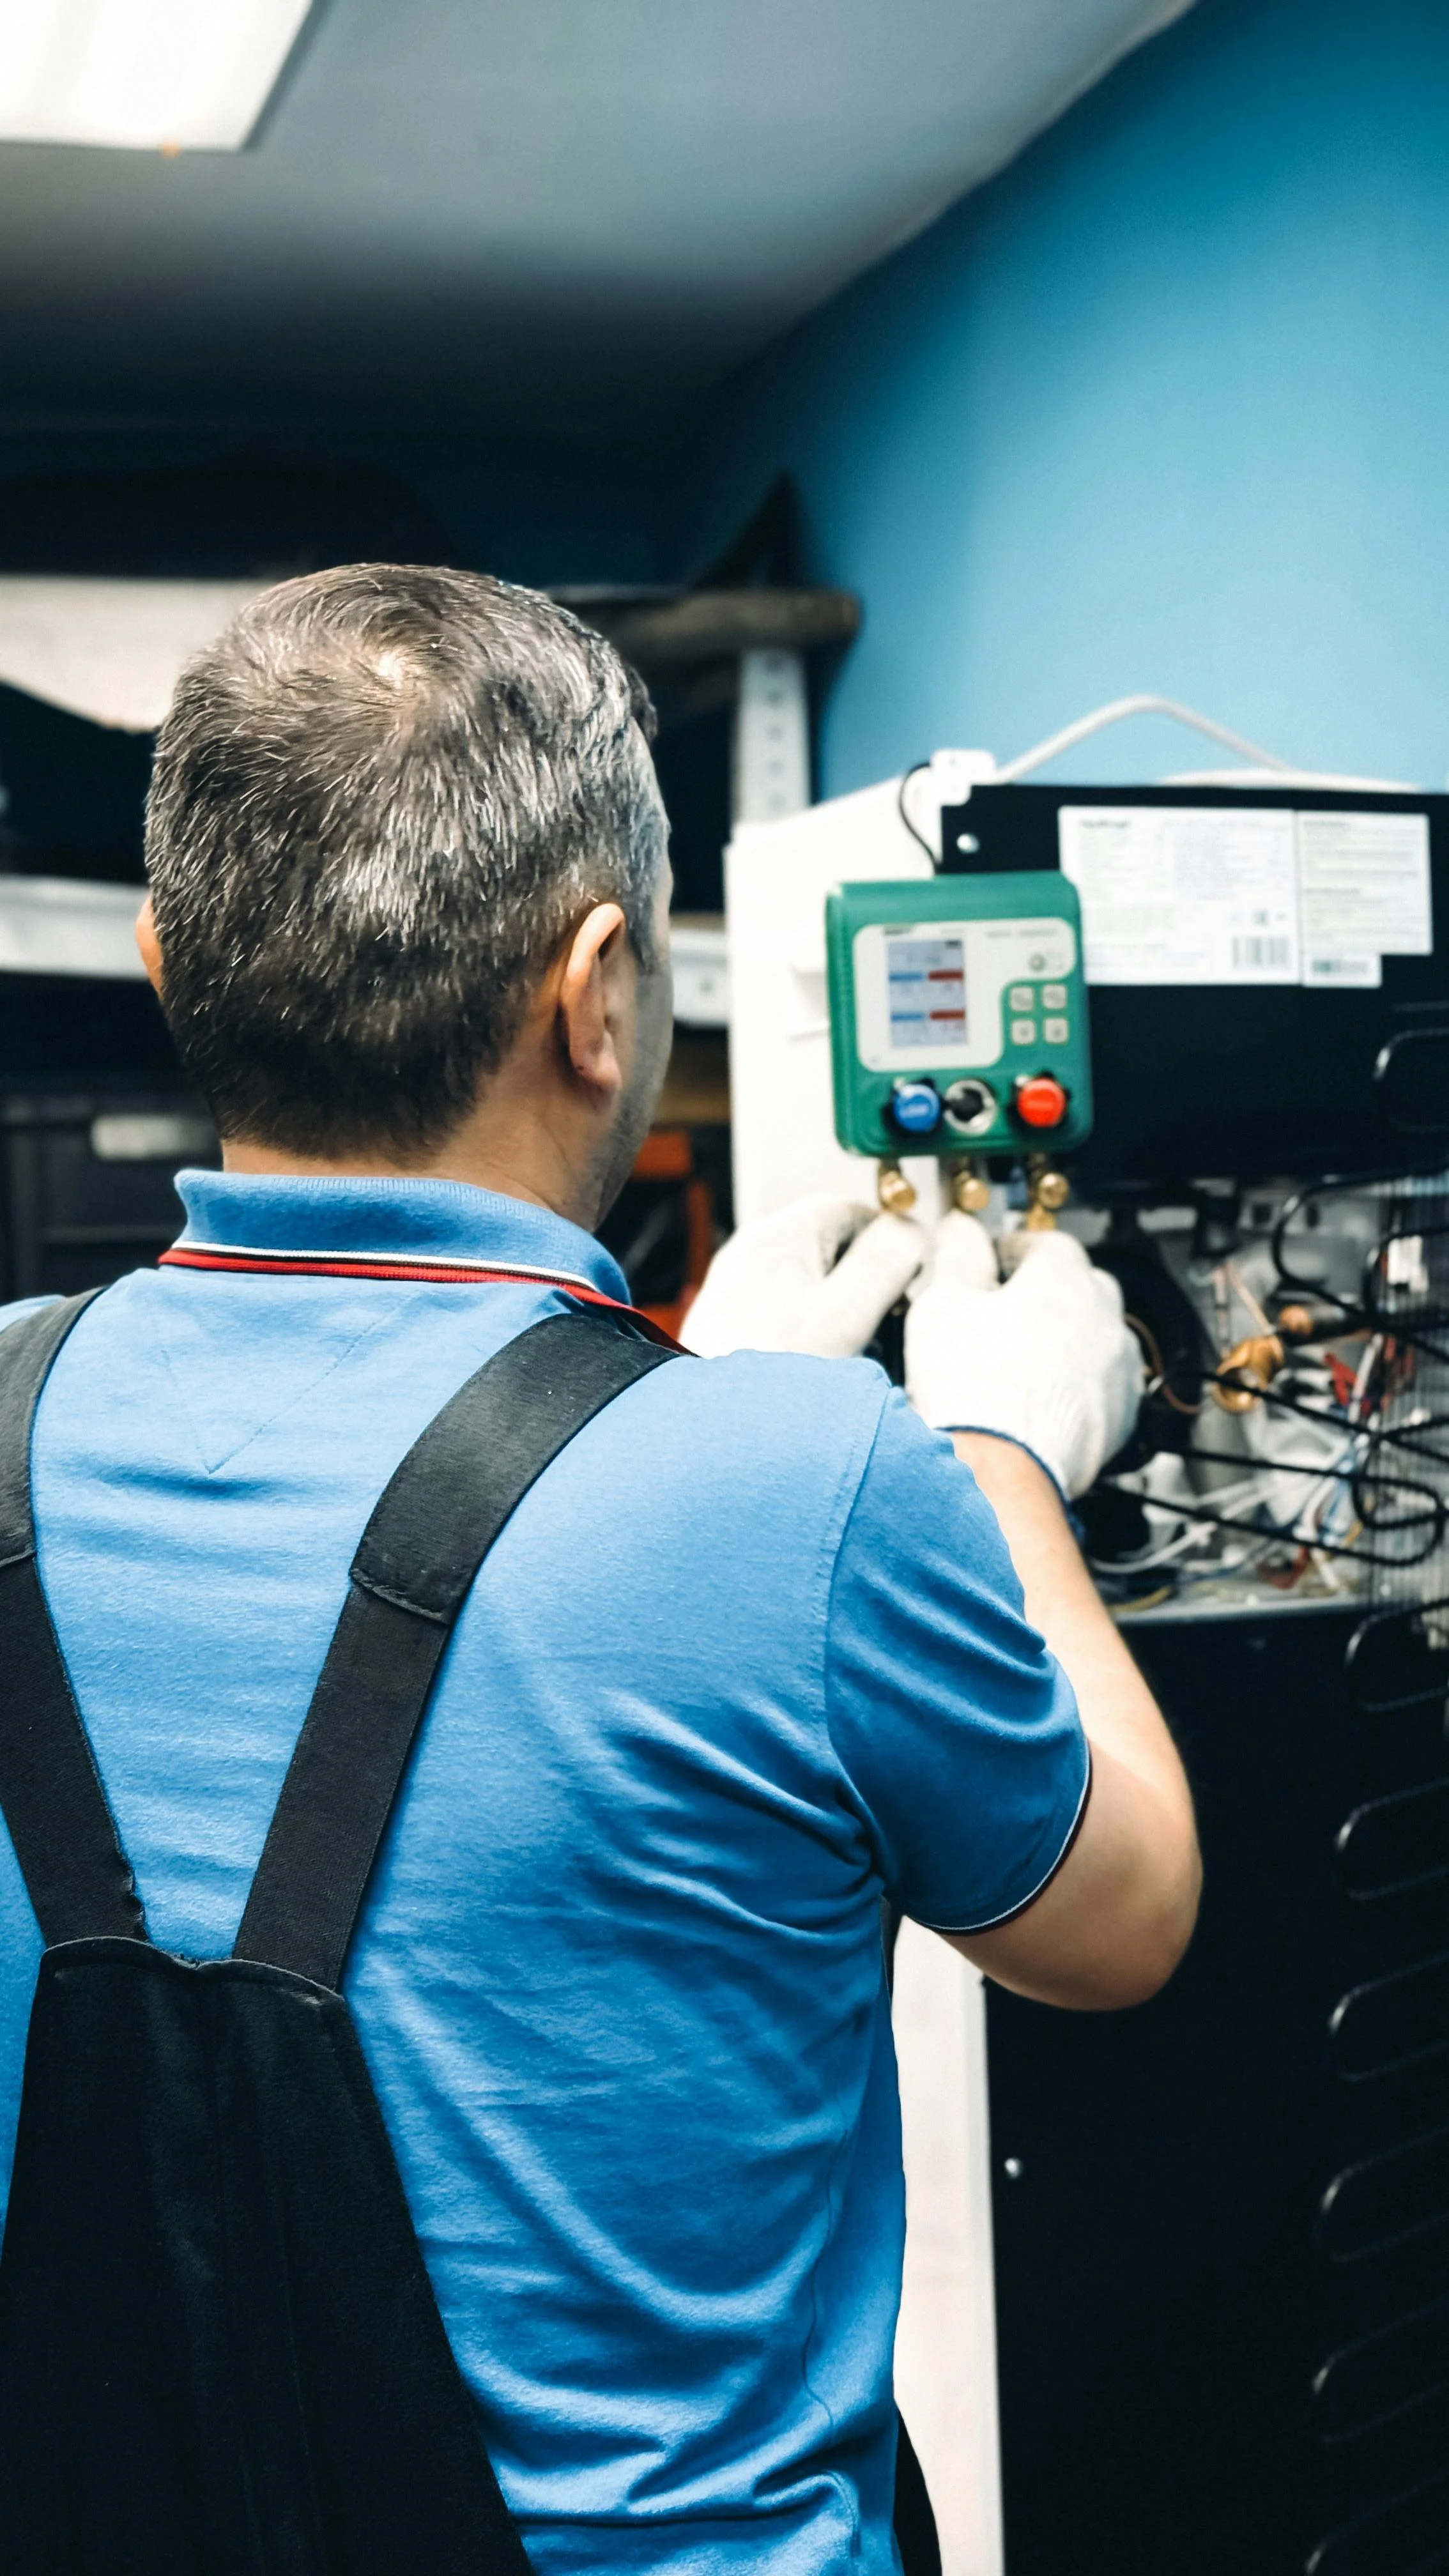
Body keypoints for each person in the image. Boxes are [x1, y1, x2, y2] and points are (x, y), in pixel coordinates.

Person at [0, 565, 1199, 2575]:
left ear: (162, 965)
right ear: (594, 985)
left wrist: (668, 1401)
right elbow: (1120, 1921)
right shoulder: (809, 1488)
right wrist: (991, 1452)